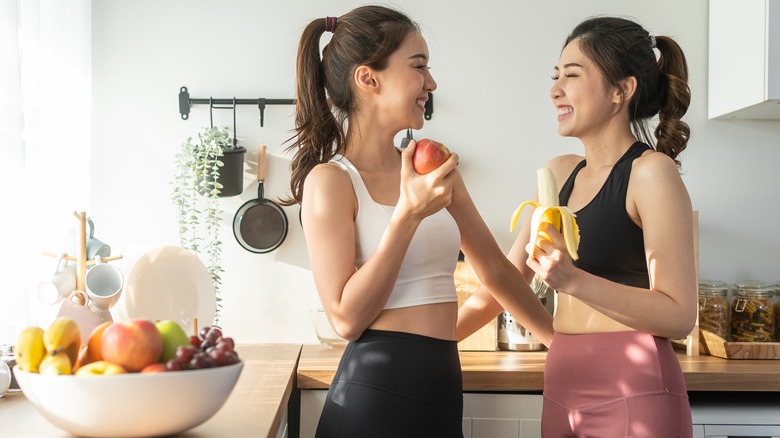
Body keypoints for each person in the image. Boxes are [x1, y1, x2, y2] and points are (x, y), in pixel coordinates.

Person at [285, 5, 553, 437]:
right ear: (368, 79)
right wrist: (407, 215)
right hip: (373, 396)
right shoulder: (331, 181)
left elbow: (497, 272)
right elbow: (346, 319)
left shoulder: (434, 166)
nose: (431, 82)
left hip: (442, 392)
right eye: (419, 66)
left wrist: (559, 343)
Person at [457, 16, 696, 437]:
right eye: (555, 76)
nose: (555, 90)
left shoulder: (651, 173)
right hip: (562, 378)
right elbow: (506, 281)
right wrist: (432, 340)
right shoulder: (559, 173)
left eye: (571, 75)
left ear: (622, 90)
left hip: (635, 384)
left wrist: (572, 280)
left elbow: (678, 315)